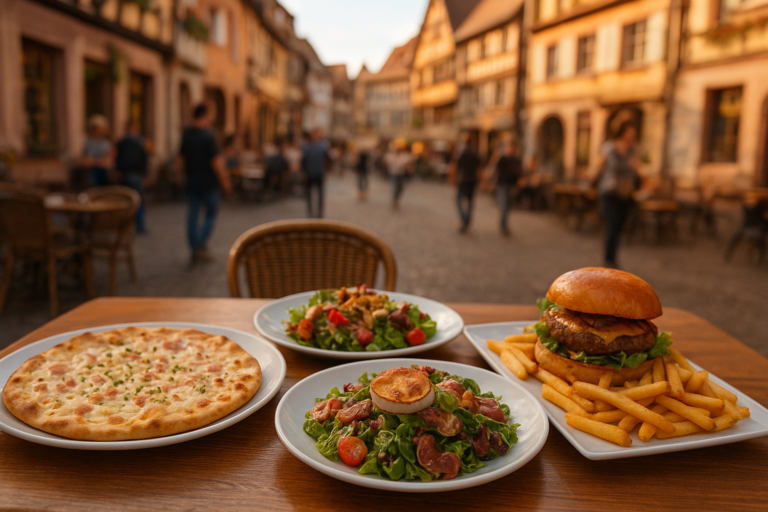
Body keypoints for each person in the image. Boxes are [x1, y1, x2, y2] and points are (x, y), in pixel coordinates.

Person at [177, 103, 232, 263]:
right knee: (211, 213)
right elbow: (216, 162)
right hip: (208, 183)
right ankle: (200, 243)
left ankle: (194, 245)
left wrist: (181, 177)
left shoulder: (186, 135)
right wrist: (225, 182)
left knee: (192, 215)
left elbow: (180, 160)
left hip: (192, 181)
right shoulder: (208, 136)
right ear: (205, 116)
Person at [596, 121, 643, 268]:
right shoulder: (610, 148)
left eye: (634, 134)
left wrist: (639, 172)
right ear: (622, 133)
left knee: (621, 226)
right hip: (610, 192)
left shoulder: (633, 151)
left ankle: (612, 258)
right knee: (613, 226)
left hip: (625, 193)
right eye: (630, 133)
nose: (632, 137)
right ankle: (609, 260)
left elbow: (638, 170)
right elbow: (603, 165)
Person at [115, 121, 149, 233]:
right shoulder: (139, 142)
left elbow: (117, 158)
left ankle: (126, 225)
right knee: (138, 200)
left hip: (125, 174)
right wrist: (145, 174)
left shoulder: (121, 142)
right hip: (135, 174)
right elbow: (144, 159)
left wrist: (119, 171)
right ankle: (139, 226)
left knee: (127, 200)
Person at [495, 140, 523, 236]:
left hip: (511, 185)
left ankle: (504, 224)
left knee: (508, 206)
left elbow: (519, 172)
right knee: (503, 205)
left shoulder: (516, 160)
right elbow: (498, 172)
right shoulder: (502, 159)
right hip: (502, 185)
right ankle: (503, 225)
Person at [302, 128, 329, 218]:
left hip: (316, 173)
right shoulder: (320, 146)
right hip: (314, 173)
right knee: (312, 194)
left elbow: (327, 160)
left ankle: (317, 213)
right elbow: (304, 161)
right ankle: (314, 213)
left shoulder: (318, 147)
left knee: (317, 194)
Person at [455, 139, 481, 233]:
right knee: (470, 201)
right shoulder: (476, 155)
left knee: (458, 199)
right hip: (473, 180)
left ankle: (464, 217)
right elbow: (480, 169)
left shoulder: (463, 154)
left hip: (464, 180)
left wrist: (454, 179)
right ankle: (467, 219)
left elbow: (457, 167)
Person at [82, 114, 113, 187]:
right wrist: (98, 161)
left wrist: (93, 161)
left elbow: (107, 162)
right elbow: (85, 161)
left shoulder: (107, 143)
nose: (98, 131)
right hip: (90, 172)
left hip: (103, 173)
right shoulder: (89, 143)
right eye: (96, 129)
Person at [384, 139, 411, 210]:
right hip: (394, 173)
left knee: (401, 187)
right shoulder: (391, 155)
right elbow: (386, 162)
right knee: (395, 186)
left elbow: (407, 164)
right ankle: (395, 200)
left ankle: (396, 198)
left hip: (401, 173)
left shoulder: (404, 156)